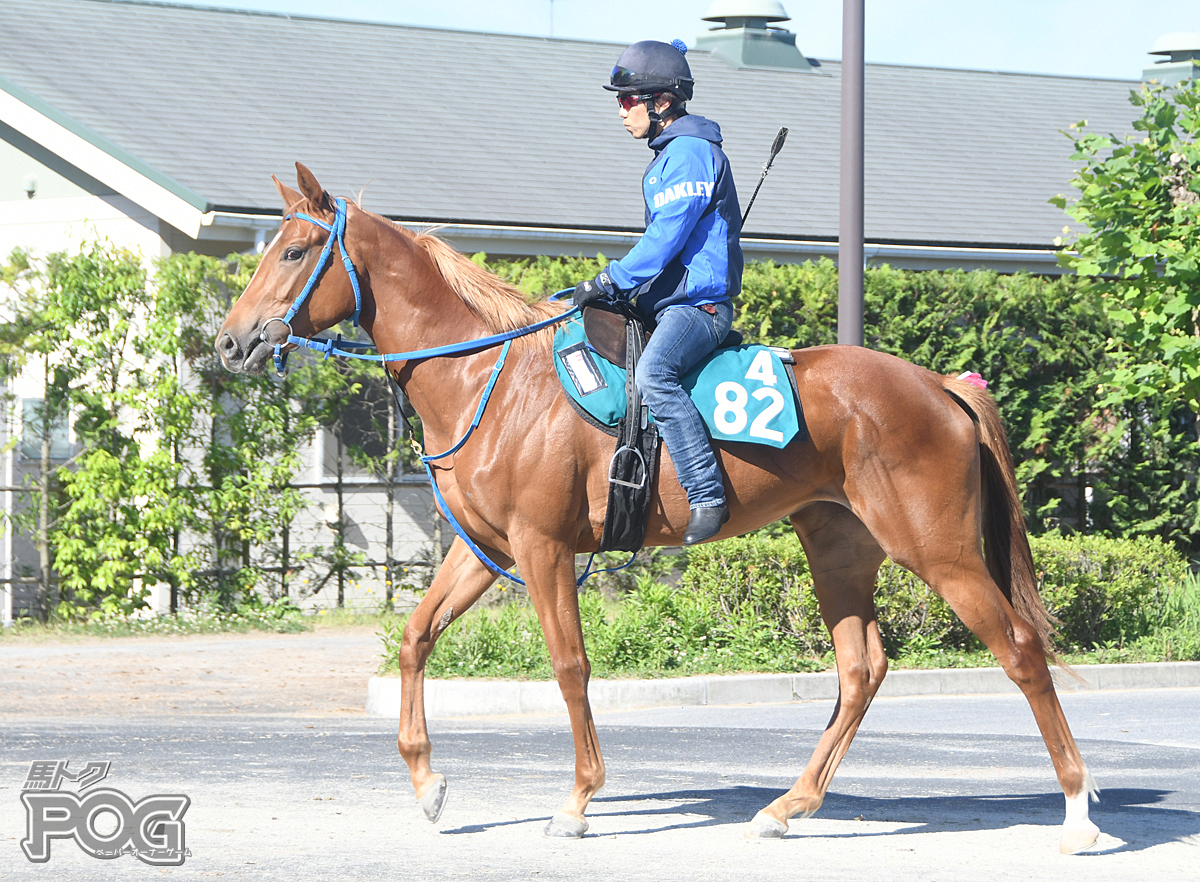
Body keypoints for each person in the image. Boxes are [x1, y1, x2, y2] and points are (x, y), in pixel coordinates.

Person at [574, 38, 743, 546]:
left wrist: (611, 279)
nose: (621, 111)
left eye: (628, 100)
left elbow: (665, 237)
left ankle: (706, 494)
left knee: (654, 374)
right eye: (619, 100)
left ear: (662, 103)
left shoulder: (689, 153)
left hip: (699, 310)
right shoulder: (673, 152)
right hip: (670, 304)